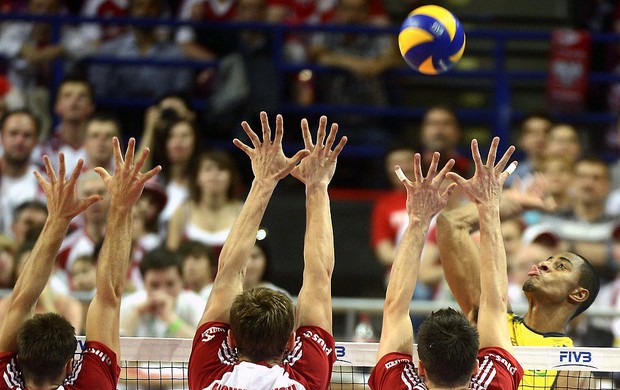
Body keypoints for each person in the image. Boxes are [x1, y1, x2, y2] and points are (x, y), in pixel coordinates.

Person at [188, 112, 345, 389]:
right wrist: (318, 186)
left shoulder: (209, 375)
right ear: (291, 341)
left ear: (231, 339)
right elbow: (319, 276)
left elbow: (228, 272)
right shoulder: (306, 380)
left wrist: (263, 181)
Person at [0, 137, 161, 389]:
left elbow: (20, 300)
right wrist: (122, 205)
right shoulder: (92, 384)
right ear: (69, 366)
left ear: (18, 361)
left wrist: (57, 219)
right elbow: (109, 296)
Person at [369, 139, 524, 390]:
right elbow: (495, 304)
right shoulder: (495, 383)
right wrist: (489, 207)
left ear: (421, 368)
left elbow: (395, 305)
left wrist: (418, 219)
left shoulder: (398, 386)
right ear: (476, 366)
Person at [437, 155, 601, 390]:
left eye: (560, 266)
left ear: (578, 294)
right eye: (547, 261)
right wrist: (512, 203)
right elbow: (451, 225)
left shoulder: (571, 368)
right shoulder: (493, 320)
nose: (543, 265)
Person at [166, 149, 243, 256]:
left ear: (231, 177)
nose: (214, 174)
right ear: (197, 178)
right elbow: (171, 256)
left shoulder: (243, 212)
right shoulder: (182, 212)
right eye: (208, 169)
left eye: (221, 169)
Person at [119, 247, 206, 338]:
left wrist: (170, 318)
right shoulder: (130, 303)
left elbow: (205, 343)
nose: (162, 292)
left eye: (170, 284)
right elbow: (115, 343)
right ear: (144, 283)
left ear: (182, 281)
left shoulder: (195, 304)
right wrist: (137, 312)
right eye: (154, 285)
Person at [0, 109, 43, 236]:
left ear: (36, 141)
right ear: (2, 137)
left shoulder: (47, 182)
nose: (19, 141)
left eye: (27, 135)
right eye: (13, 134)